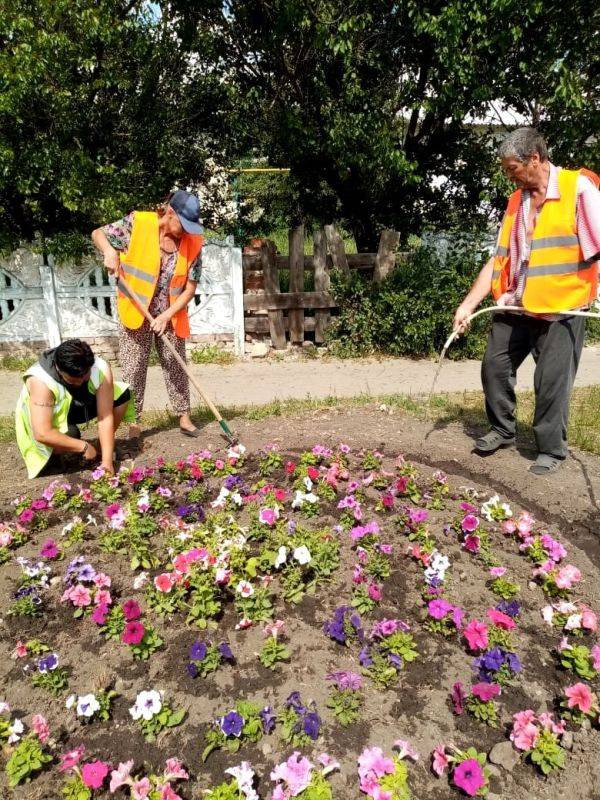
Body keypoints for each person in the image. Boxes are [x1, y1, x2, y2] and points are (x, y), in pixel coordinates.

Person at [454, 128, 600, 475]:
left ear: (535, 158)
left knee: (550, 384)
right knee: (494, 366)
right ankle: (503, 431)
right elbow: (499, 259)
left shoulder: (578, 190)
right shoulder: (516, 202)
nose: (510, 176)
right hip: (517, 303)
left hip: (560, 309)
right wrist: (468, 305)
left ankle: (551, 450)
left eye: (513, 168)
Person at [91, 190, 204, 437]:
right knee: (134, 367)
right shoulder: (139, 223)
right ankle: (134, 422)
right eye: (182, 225)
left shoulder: (193, 242)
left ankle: (184, 417)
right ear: (170, 212)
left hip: (171, 314)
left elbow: (190, 288)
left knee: (175, 364)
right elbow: (98, 234)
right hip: (135, 309)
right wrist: (110, 252)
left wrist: (166, 316)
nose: (185, 231)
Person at [15, 338, 135, 479]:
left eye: (84, 377)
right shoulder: (40, 381)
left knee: (121, 395)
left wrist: (107, 462)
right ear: (59, 369)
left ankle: (100, 446)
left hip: (77, 406)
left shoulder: (99, 367)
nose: (79, 383)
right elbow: (42, 433)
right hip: (45, 419)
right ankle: (54, 457)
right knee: (71, 435)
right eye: (72, 380)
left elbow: (105, 416)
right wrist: (83, 446)